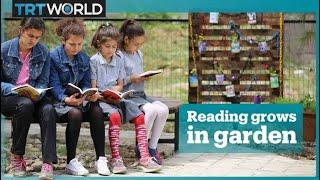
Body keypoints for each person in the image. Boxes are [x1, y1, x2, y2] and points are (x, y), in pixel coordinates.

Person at [90, 23, 161, 173]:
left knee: (140, 116)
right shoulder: (94, 61)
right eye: (108, 47)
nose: (111, 50)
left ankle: (144, 157)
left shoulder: (118, 59)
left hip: (118, 98)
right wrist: (105, 94)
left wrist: (116, 90)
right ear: (99, 44)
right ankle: (116, 158)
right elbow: (94, 87)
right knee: (115, 117)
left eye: (114, 47)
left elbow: (121, 84)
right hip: (103, 100)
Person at [49, 18, 109, 176]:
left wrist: (88, 93)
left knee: (96, 109)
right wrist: (66, 99)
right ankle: (71, 161)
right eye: (72, 44)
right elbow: (53, 85)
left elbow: (86, 81)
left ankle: (101, 159)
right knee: (75, 114)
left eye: (79, 44)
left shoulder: (83, 58)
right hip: (61, 101)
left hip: (79, 99)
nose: (76, 48)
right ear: (63, 41)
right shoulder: (54, 56)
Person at [1, 17, 57, 179]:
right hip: (9, 97)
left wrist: (37, 92)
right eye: (30, 35)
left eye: (37, 37)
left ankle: (47, 162)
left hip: (34, 97)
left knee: (48, 109)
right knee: (24, 105)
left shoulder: (43, 52)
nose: (33, 40)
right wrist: (14, 89)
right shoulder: (4, 50)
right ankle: (17, 156)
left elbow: (44, 81)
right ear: (21, 31)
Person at [119, 19, 169, 165]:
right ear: (126, 39)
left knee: (163, 109)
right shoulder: (119, 55)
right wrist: (131, 79)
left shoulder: (138, 54)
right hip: (129, 97)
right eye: (136, 43)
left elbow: (138, 73)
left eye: (141, 44)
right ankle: (141, 149)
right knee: (152, 111)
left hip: (141, 95)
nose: (138, 47)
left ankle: (152, 147)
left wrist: (144, 77)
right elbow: (119, 80)